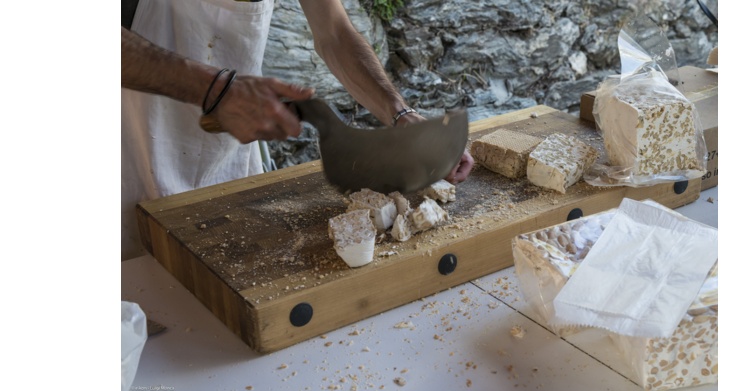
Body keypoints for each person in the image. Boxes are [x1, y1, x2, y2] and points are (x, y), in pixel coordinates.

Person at [121, 0, 474, 261]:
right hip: (127, 153)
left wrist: (400, 115)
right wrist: (213, 89)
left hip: (229, 162)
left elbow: (334, 31)